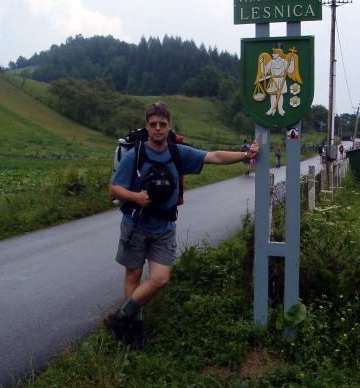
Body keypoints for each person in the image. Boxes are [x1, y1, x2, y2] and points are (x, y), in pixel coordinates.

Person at [104, 102, 259, 348]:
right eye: (153, 124)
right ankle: (134, 329)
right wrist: (136, 197)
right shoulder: (135, 155)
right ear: (147, 127)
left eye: (162, 124)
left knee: (160, 279)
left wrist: (246, 155)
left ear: (169, 126)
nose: (157, 128)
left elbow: (214, 156)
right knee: (133, 274)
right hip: (135, 223)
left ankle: (121, 317)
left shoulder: (178, 153)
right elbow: (114, 189)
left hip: (164, 227)